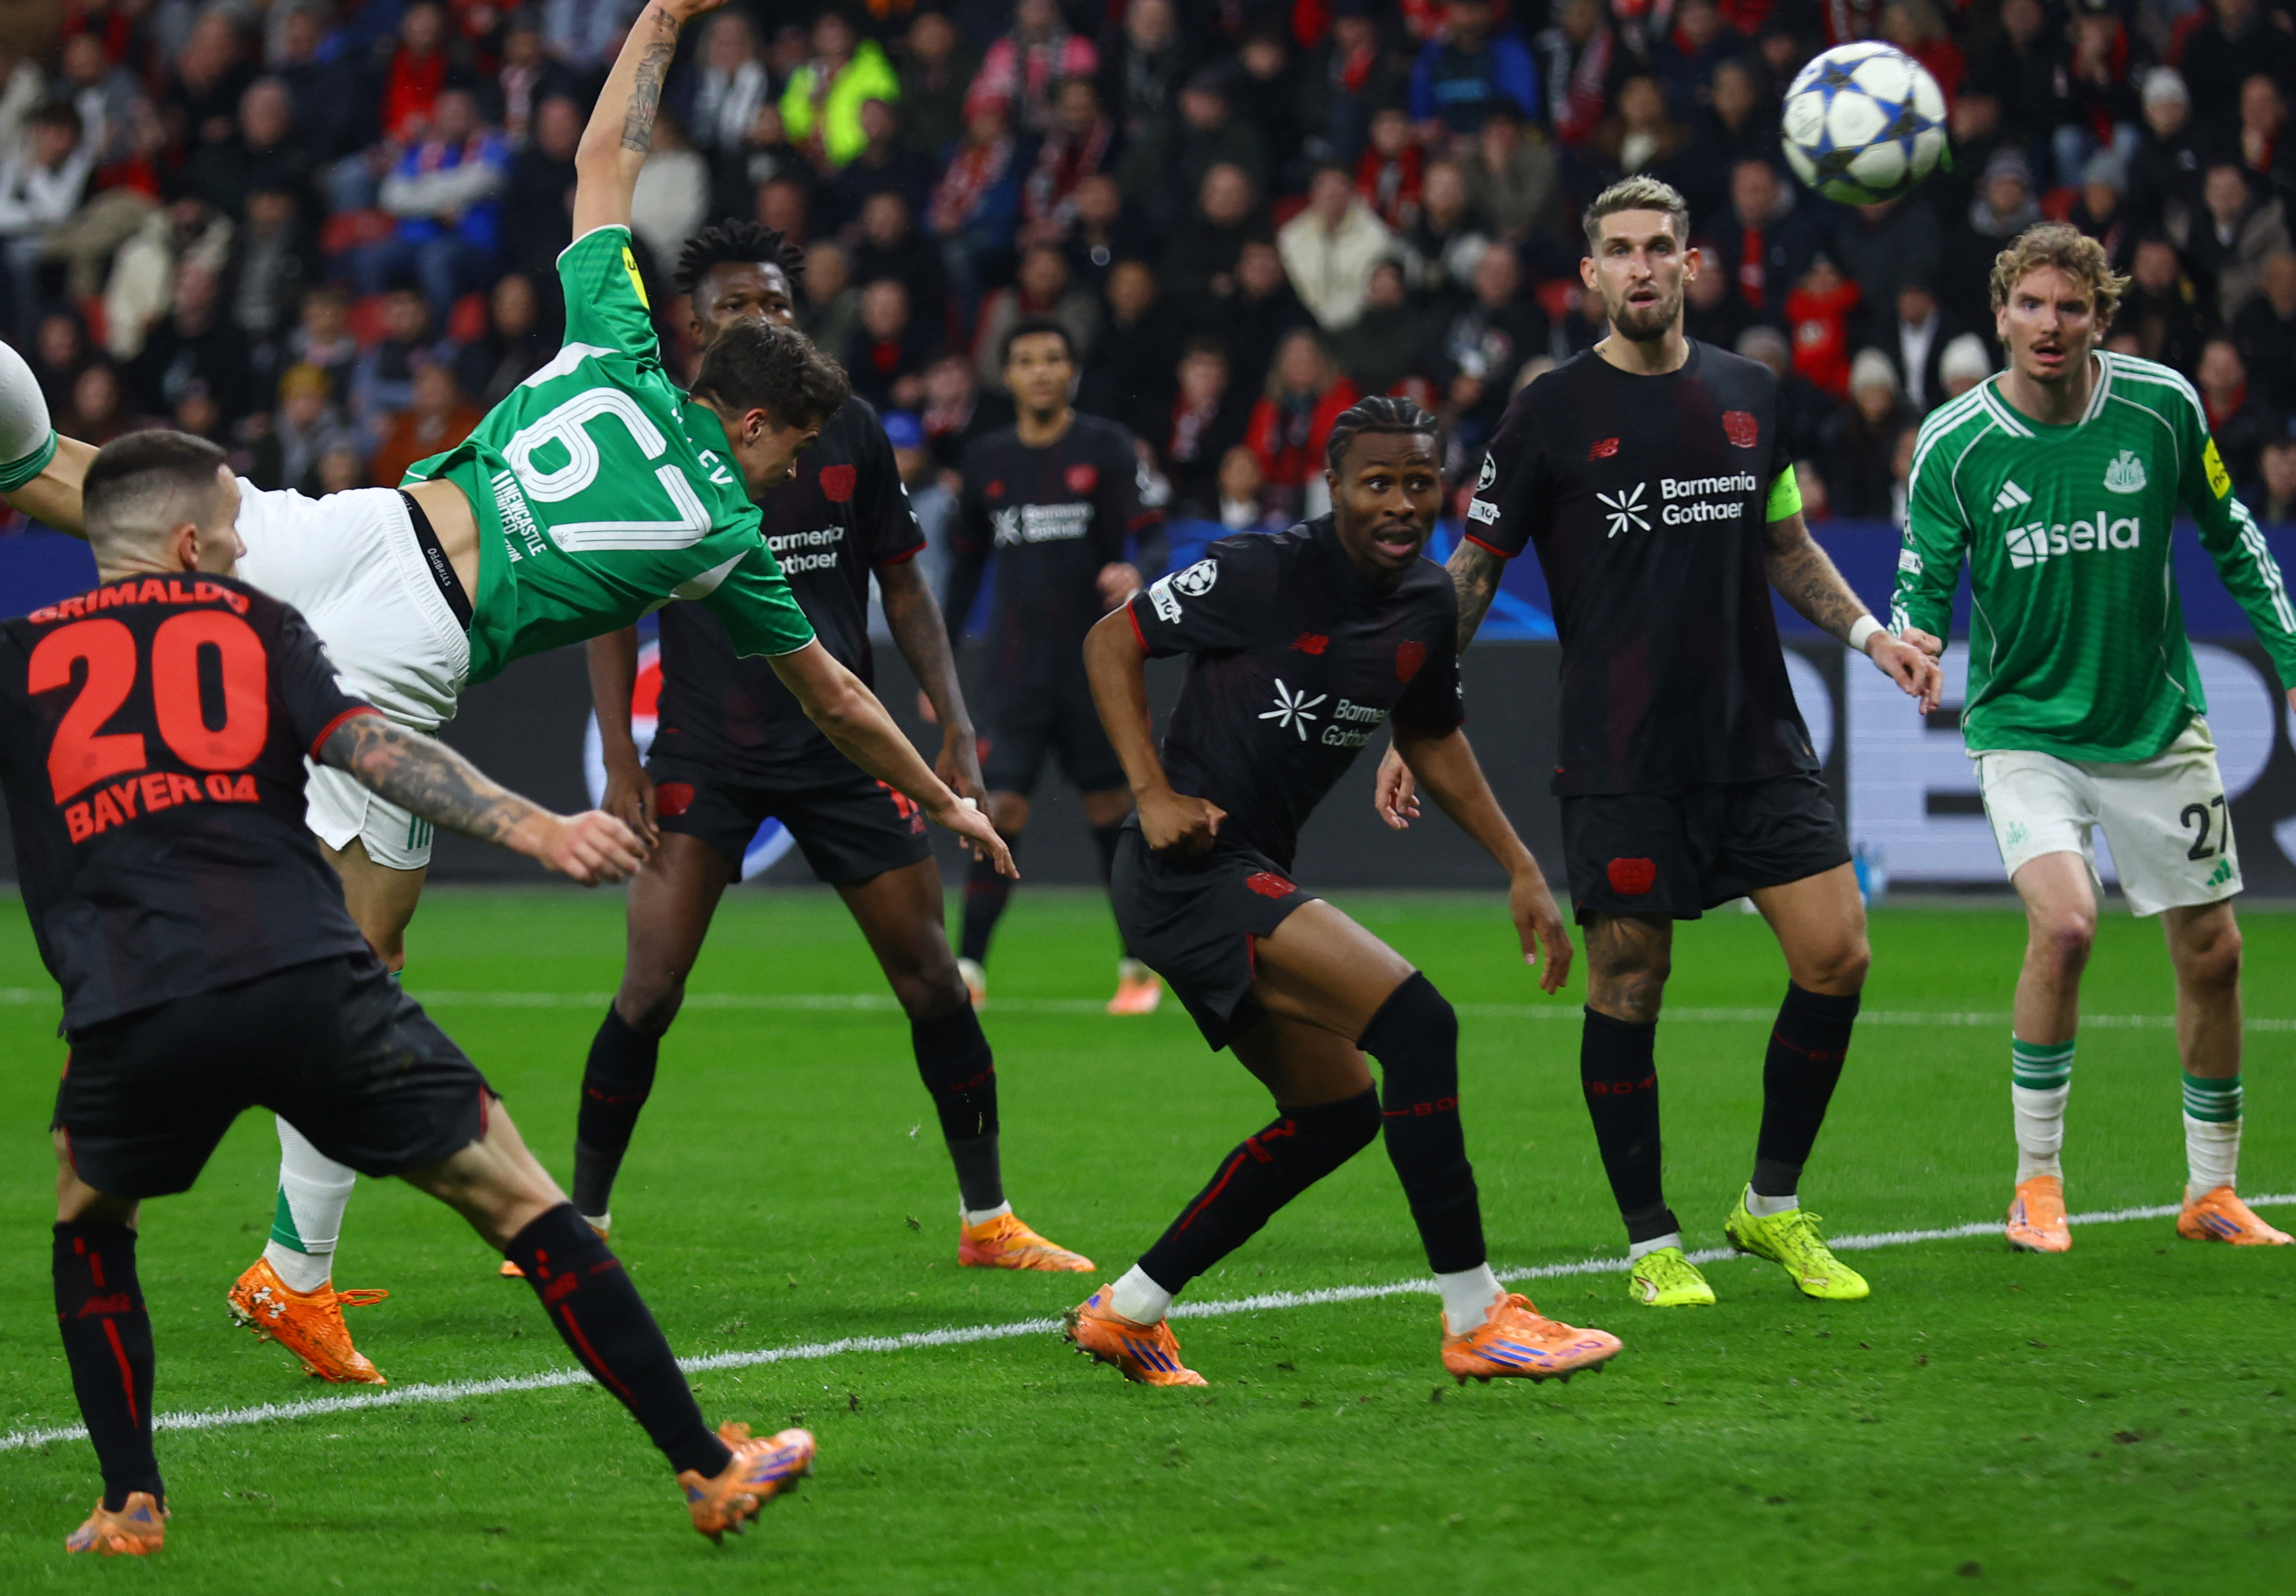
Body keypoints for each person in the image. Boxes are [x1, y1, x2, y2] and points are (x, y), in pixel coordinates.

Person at [0, 0, 1015, 1388]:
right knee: (361, 951)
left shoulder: (612, 344)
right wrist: (944, 797)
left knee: (51, 476)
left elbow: (602, 156)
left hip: (354, 524)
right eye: (787, 450)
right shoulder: (722, 525)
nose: (787, 473)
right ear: (762, 425)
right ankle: (292, 1273)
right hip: (410, 644)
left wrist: (658, 8)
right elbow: (837, 693)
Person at [0, 431, 815, 1552]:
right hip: (309, 977)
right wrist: (535, 828)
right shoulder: (260, 629)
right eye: (237, 531)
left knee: (92, 1222)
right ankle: (706, 1465)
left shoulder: (12, 658)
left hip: (135, 1010)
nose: (250, 550)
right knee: (521, 1199)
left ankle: (132, 1499)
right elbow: (373, 747)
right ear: (188, 545)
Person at [1411, 175, 1943, 1309]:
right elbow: (1474, 569)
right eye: (1620, 249)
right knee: (1631, 977)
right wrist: (1418, 707)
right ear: (1591, 275)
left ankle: (1772, 1205)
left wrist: (1868, 633)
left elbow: (1786, 544)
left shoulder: (1752, 394)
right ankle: (1651, 1238)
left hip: (1756, 734)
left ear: (1691, 263)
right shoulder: (1547, 412)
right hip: (1622, 747)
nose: (1642, 266)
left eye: (1661, 246)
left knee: (1838, 951)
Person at [568, 218, 1093, 1276]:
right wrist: (624, 762)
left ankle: (988, 1218)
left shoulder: (840, 423)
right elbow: (611, 605)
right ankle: (580, 1221)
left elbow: (906, 583)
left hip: (844, 745)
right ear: (692, 322)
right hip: (708, 747)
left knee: (934, 980)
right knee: (651, 986)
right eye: (736, 306)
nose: (760, 320)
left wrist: (952, 720)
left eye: (776, 304)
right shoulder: (658, 432)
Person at [1066, 395, 1621, 1385]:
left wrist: (1520, 864)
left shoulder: (1425, 607)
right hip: (1185, 870)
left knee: (1335, 1112)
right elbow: (1112, 639)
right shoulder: (1258, 570)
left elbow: (1433, 737)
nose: (1401, 502)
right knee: (1419, 1023)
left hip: (1243, 875)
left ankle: (1130, 1308)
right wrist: (1149, 790)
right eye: (1378, 482)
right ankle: (1477, 1313)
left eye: (1419, 482)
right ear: (1334, 486)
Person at [1890, 224, 2296, 1255]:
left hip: (2152, 719)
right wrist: (1914, 632)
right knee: (2067, 924)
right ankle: (2036, 1182)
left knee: (2214, 950)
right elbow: (1923, 569)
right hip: (2024, 727)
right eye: (2034, 305)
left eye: (2074, 307)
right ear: (2002, 313)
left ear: (2103, 317)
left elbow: (2233, 533)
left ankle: (2212, 1190)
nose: (2053, 326)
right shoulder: (1956, 442)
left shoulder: (2162, 408)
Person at [944, 318, 1164, 1010]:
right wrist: (942, 664)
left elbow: (1151, 539)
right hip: (1015, 671)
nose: (1040, 370)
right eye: (1026, 360)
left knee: (1109, 809)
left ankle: (1136, 965)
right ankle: (969, 969)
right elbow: (965, 566)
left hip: (1092, 668)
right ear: (1006, 375)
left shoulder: (1104, 446)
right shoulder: (986, 459)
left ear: (1069, 369)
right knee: (999, 806)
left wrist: (1135, 569)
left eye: (1053, 358)